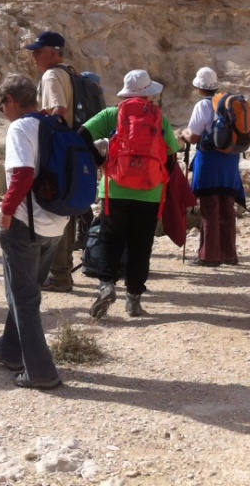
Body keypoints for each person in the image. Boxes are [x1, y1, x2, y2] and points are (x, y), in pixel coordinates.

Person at [0, 74, 65, 389]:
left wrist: (5, 211)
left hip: (25, 223)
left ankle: (41, 370)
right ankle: (11, 351)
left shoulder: (20, 127)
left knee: (23, 297)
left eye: (2, 104)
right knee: (27, 292)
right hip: (57, 222)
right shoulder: (54, 123)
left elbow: (22, 175)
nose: (3, 110)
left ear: (12, 101)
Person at [79, 69, 180, 319]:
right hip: (150, 192)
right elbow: (171, 155)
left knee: (110, 239)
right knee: (141, 245)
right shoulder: (159, 118)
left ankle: (106, 286)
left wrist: (102, 161)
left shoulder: (112, 114)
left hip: (116, 189)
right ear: (149, 94)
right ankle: (133, 300)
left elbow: (81, 135)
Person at [24, 30, 78, 293]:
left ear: (53, 52)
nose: (34, 55)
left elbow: (59, 111)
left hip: (59, 153)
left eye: (38, 50)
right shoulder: (73, 73)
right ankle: (62, 272)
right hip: (76, 153)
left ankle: (59, 275)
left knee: (54, 208)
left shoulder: (52, 75)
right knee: (67, 210)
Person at [180, 68, 247, 267]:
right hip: (231, 161)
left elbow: (194, 136)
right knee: (227, 205)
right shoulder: (231, 104)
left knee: (210, 206)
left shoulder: (203, 105)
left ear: (200, 88)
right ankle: (229, 254)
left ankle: (209, 256)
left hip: (209, 160)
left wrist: (184, 134)